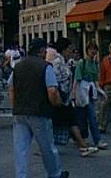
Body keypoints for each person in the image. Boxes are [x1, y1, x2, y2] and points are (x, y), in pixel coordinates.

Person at [9, 37, 69, 178]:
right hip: (39, 111)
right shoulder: (45, 67)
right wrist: (57, 103)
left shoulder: (18, 66)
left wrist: (14, 106)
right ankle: (55, 174)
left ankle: (21, 176)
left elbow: (11, 88)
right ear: (41, 51)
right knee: (47, 147)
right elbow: (52, 91)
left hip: (20, 112)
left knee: (20, 148)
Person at [50, 37, 98, 157]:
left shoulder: (65, 61)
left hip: (65, 98)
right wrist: (58, 95)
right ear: (64, 49)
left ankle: (81, 145)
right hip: (59, 97)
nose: (70, 51)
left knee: (71, 121)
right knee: (69, 121)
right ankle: (81, 145)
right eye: (69, 49)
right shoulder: (57, 61)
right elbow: (54, 80)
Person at [73, 41, 108, 150]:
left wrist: (100, 92)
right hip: (81, 93)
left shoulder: (95, 64)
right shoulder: (81, 63)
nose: (93, 52)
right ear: (87, 51)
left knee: (93, 117)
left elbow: (96, 79)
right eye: (91, 49)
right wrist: (74, 95)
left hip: (90, 93)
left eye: (95, 50)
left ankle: (97, 139)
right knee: (82, 118)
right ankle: (83, 139)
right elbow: (76, 80)